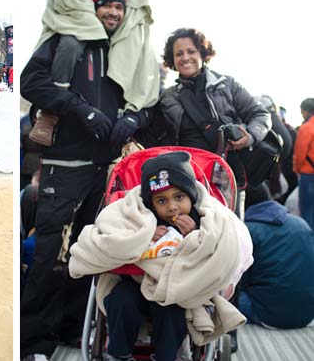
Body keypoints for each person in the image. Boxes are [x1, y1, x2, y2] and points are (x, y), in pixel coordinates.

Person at [19, 0, 153, 360]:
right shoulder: (66, 40)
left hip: (107, 166)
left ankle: (72, 326)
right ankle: (34, 343)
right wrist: (80, 108)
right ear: (91, 8)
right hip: (66, 162)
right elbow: (32, 82)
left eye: (118, 7)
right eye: (105, 5)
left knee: (91, 246)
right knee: (51, 251)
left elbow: (147, 99)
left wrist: (135, 119)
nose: (112, 12)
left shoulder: (127, 51)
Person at [69, 151, 251, 361]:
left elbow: (215, 242)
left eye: (179, 197)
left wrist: (195, 234)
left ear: (191, 196)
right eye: (161, 201)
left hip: (177, 288)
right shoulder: (139, 216)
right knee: (120, 300)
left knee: (172, 309)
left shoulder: (202, 217)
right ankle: (118, 354)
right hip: (135, 283)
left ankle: (167, 356)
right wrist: (142, 235)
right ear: (151, 204)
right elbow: (115, 232)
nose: (172, 206)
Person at [29, 0, 159, 145]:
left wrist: (133, 119)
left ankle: (129, 106)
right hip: (75, 17)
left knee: (135, 51)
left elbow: (131, 0)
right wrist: (89, 11)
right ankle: (49, 114)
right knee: (68, 45)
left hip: (104, 150)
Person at [143, 28, 271, 217]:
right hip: (188, 179)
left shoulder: (227, 85)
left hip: (229, 174)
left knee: (231, 234)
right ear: (173, 60)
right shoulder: (167, 98)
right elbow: (153, 136)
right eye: (179, 54)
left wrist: (251, 136)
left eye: (191, 51)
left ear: (203, 54)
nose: (185, 57)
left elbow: (261, 114)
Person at [238, 183, 314, 329]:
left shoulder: (248, 231)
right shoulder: (301, 223)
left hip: (270, 314)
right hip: (307, 314)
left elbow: (240, 282)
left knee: (222, 300)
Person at [293, 98, 314, 230]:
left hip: (308, 174)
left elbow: (300, 153)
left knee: (307, 211)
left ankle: (309, 243)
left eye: (302, 112)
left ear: (306, 111)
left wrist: (297, 169)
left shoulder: (306, 128)